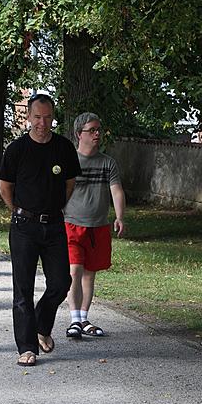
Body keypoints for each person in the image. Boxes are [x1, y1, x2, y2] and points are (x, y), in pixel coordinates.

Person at [0, 93, 81, 367]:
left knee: (61, 283)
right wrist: (20, 211)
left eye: (47, 117)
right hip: (23, 226)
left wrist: (54, 207)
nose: (42, 123)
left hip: (54, 224)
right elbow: (4, 188)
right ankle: (26, 347)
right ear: (28, 118)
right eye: (37, 117)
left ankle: (41, 325)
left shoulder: (64, 148)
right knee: (23, 289)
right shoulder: (16, 149)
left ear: (53, 117)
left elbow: (69, 184)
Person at [63, 113, 126, 339]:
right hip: (72, 225)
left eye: (99, 130)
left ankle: (84, 317)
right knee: (74, 271)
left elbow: (116, 190)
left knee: (89, 274)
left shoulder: (107, 163)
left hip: (98, 227)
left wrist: (119, 216)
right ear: (80, 134)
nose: (97, 134)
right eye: (92, 130)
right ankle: (74, 320)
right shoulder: (70, 162)